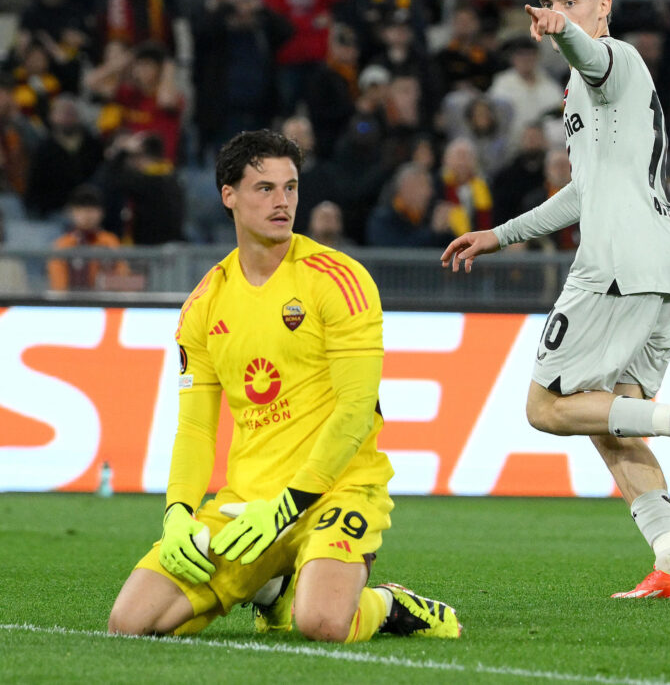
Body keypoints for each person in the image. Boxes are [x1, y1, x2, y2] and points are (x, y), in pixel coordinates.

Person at [439, 0, 670, 600]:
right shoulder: (587, 90)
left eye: (570, 2)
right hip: (660, 264)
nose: (555, 13)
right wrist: (499, 234)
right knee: (610, 421)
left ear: (604, 7)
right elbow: (580, 193)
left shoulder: (614, 59)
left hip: (617, 261)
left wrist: (564, 30)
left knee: (545, 408)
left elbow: (590, 54)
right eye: (548, 2)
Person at [108, 129, 461, 642]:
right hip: (249, 502)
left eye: (291, 187)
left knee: (322, 622)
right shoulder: (204, 306)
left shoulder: (338, 280)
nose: (283, 202)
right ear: (228, 196)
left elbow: (356, 410)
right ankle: (273, 586)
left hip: (338, 489)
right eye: (265, 188)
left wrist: (287, 506)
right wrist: (178, 512)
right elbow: (196, 430)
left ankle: (387, 605)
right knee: (131, 623)